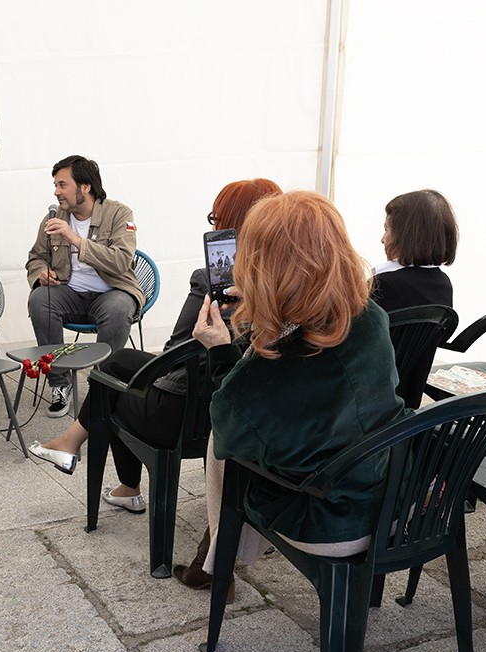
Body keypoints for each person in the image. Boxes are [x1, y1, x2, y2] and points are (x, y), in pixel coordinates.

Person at [174, 191, 405, 594]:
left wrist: (221, 347)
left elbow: (231, 426)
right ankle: (210, 561)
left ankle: (216, 564)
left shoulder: (282, 360)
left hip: (330, 520)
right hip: (391, 494)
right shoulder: (371, 316)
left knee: (220, 447)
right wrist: (269, 308)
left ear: (265, 267)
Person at [29, 180, 282, 520]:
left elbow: (175, 351)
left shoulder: (207, 279)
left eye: (216, 218)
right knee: (116, 361)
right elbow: (35, 258)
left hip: (187, 415)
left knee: (112, 386)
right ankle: (92, 461)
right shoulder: (285, 287)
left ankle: (108, 472)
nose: (57, 191)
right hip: (246, 414)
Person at [26, 155, 144, 417]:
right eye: (55, 185)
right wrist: (40, 272)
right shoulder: (53, 216)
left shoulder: (119, 213)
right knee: (39, 299)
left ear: (85, 187)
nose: (56, 192)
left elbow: (121, 260)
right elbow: (35, 257)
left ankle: (102, 385)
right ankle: (59, 383)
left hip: (111, 292)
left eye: (62, 185)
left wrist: (75, 239)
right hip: (70, 294)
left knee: (118, 307)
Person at [371, 189, 457, 407]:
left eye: (387, 230)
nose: (382, 239)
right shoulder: (443, 285)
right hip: (407, 402)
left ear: (406, 236)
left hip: (364, 406)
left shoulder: (382, 285)